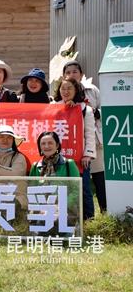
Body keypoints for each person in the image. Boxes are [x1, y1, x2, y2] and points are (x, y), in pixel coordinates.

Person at [63, 60, 106, 212]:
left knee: (99, 179)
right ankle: (75, 215)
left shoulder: (92, 90)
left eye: (75, 71)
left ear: (81, 74)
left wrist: (95, 112)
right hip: (72, 146)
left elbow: (106, 109)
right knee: (80, 183)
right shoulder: (62, 95)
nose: (72, 74)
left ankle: (104, 210)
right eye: (68, 72)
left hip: (94, 141)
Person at [53, 77, 96, 220]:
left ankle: (88, 220)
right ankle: (63, 220)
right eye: (63, 88)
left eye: (69, 88)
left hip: (79, 157)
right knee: (60, 188)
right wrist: (64, 109)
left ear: (76, 90)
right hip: (58, 157)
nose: (65, 92)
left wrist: (88, 154)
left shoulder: (85, 109)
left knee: (83, 188)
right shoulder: (53, 107)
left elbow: (89, 134)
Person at [29, 131, 81, 235]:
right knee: (40, 231)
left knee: (57, 227)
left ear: (57, 145)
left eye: (50, 143)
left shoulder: (68, 164)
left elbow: (76, 191)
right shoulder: (35, 167)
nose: (46, 146)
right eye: (43, 144)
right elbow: (31, 191)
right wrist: (40, 208)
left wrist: (60, 207)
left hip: (65, 210)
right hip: (41, 210)